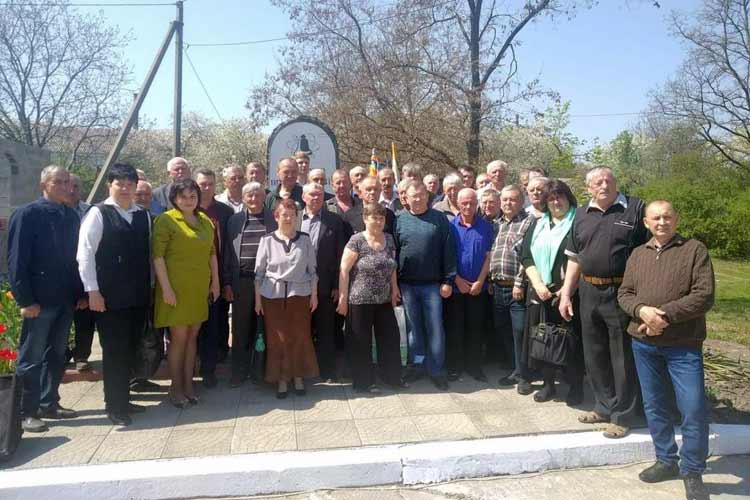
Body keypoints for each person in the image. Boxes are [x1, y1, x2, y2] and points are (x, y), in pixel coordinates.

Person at [618, 201, 714, 500]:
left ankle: (692, 470)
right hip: (644, 345)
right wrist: (642, 311)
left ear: (677, 219)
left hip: (683, 345)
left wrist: (663, 316)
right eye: (656, 218)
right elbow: (625, 293)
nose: (662, 222)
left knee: (693, 409)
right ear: (646, 223)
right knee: (655, 405)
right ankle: (666, 460)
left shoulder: (694, 250)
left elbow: (704, 295)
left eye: (667, 217)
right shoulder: (638, 254)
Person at [558, 166, 648, 439]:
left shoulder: (635, 209)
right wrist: (566, 293)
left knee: (622, 356)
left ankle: (623, 415)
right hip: (588, 291)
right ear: (588, 188)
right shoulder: (581, 215)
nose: (604, 185)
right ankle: (603, 406)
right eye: (597, 182)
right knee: (594, 354)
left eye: (609, 180)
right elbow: (574, 258)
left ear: (616, 182)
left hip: (622, 291)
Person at [8, 166, 84, 432]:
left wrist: (80, 293)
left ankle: (49, 402)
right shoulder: (27, 214)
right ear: (44, 185)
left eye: (67, 182)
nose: (66, 187)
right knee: (31, 357)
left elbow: (76, 259)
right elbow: (17, 261)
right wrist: (25, 300)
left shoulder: (70, 215)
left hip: (65, 298)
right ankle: (26, 412)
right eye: (58, 182)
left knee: (57, 354)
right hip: (39, 301)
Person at [77, 163, 150, 426]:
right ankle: (114, 406)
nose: (125, 189)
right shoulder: (98, 213)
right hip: (110, 298)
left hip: (137, 296)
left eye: (130, 184)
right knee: (114, 352)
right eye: (120, 184)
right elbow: (85, 254)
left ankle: (124, 399)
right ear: (110, 185)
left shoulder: (142, 215)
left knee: (130, 348)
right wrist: (92, 291)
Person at [152, 178, 221, 407]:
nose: (189, 200)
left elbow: (212, 253)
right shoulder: (166, 220)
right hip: (175, 290)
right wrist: (166, 289)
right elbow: (158, 257)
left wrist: (215, 282)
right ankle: (176, 388)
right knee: (178, 339)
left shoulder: (204, 220)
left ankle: (189, 385)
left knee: (192, 338)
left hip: (198, 289)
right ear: (174, 198)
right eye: (183, 196)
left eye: (193, 196)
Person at [520, 180, 584, 405]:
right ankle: (549, 385)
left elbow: (582, 257)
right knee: (543, 340)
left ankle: (576, 386)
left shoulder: (579, 222)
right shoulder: (538, 224)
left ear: (568, 198)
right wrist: (538, 284)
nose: (556, 202)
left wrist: (565, 289)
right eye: (551, 198)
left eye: (560, 197)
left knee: (571, 341)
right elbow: (525, 255)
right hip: (540, 292)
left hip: (569, 294)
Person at [394, 181, 456, 390]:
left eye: (422, 195)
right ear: (406, 198)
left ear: (428, 196)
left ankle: (436, 370)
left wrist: (448, 280)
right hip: (407, 285)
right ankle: (417, 365)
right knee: (414, 329)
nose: (419, 199)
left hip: (432, 285)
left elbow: (448, 250)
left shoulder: (439, 219)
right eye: (414, 196)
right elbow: (394, 252)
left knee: (435, 328)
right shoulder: (399, 220)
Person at [254, 199, 319, 398]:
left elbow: (312, 271)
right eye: (284, 214)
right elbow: (259, 273)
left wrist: (314, 295)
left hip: (300, 296)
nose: (288, 218)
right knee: (278, 340)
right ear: (276, 217)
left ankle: (298, 376)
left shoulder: (305, 239)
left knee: (300, 337)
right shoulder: (267, 240)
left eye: (292, 215)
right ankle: (282, 379)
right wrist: (258, 300)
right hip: (272, 297)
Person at [337, 203, 404, 392]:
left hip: (384, 300)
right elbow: (344, 270)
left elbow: (392, 266)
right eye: (375, 217)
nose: (379, 221)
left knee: (390, 339)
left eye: (382, 218)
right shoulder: (356, 240)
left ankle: (392, 377)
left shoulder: (389, 239)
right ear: (365, 219)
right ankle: (364, 382)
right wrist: (343, 298)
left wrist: (395, 288)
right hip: (359, 300)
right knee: (360, 342)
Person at [222, 182, 276, 387]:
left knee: (264, 327)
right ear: (243, 198)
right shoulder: (234, 220)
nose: (253, 199)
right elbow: (228, 253)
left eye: (257, 195)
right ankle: (239, 371)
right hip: (242, 282)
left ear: (264, 197)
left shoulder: (274, 218)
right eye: (249, 196)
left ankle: (261, 371)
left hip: (269, 282)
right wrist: (227, 282)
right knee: (241, 328)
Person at [490, 185, 534, 394]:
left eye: (513, 199)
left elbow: (528, 255)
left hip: (517, 288)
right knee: (503, 328)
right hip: (497, 287)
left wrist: (519, 282)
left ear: (521, 201)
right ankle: (515, 368)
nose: (508, 203)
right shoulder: (496, 224)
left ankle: (525, 376)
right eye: (505, 199)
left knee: (520, 331)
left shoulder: (529, 222)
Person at [300, 183, 346, 381]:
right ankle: (303, 369)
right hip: (299, 285)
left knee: (326, 329)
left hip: (326, 285)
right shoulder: (294, 219)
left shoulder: (334, 221)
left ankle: (326, 371)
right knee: (302, 330)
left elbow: (340, 255)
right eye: (312, 194)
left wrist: (337, 285)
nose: (316, 198)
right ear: (303, 197)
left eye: (319, 195)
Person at [446, 188, 493, 382]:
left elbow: (489, 257)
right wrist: (456, 279)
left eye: (472, 203)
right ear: (457, 203)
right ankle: (455, 366)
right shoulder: (449, 226)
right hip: (456, 288)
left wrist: (480, 281)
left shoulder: (486, 227)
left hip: (477, 288)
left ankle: (474, 367)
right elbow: (446, 256)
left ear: (477, 204)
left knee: (475, 329)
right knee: (455, 329)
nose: (468, 206)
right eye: (464, 203)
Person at [194, 168, 235, 388]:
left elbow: (229, 248)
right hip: (192, 278)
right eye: (202, 184)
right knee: (193, 326)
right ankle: (190, 367)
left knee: (214, 325)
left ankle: (209, 369)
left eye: (210, 183)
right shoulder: (187, 210)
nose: (207, 188)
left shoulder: (225, 211)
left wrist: (226, 281)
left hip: (217, 277)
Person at [66, 173, 95, 372]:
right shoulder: (54, 211)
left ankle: (81, 355)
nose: (71, 190)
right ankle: (62, 354)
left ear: (81, 189)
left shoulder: (91, 211)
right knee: (62, 318)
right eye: (67, 185)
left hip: (83, 271)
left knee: (85, 317)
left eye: (75, 186)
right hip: (62, 274)